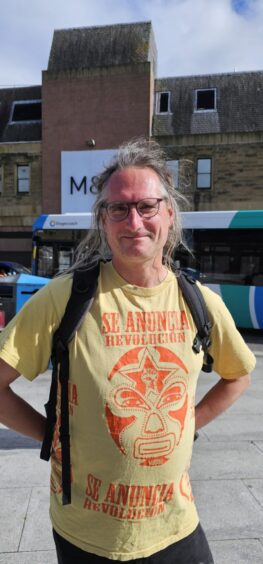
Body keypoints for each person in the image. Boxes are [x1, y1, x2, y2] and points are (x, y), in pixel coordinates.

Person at [0, 138, 256, 563]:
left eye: (147, 206)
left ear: (170, 214)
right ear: (103, 221)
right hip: (86, 534)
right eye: (118, 208)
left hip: (176, 527)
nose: (133, 220)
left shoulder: (200, 301)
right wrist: (51, 436)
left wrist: (188, 422)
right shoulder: (64, 298)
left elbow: (239, 374)